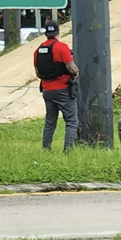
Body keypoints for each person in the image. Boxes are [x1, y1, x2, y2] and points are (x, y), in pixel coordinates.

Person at [34, 20, 79, 151]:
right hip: (63, 90)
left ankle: (46, 149)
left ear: (46, 34)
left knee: (50, 122)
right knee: (71, 122)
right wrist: (76, 73)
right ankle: (68, 151)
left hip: (47, 90)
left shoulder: (37, 51)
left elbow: (38, 73)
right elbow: (72, 69)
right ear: (58, 32)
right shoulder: (62, 47)